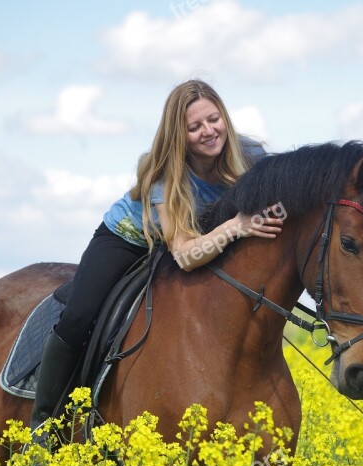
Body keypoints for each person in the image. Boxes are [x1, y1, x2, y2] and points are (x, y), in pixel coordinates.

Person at [30, 80, 284, 443]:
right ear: (179, 135)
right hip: (129, 241)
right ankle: (44, 423)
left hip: (204, 239)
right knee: (79, 315)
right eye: (195, 127)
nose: (208, 131)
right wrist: (237, 226)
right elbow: (185, 254)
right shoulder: (167, 174)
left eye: (213, 119)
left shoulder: (250, 155)